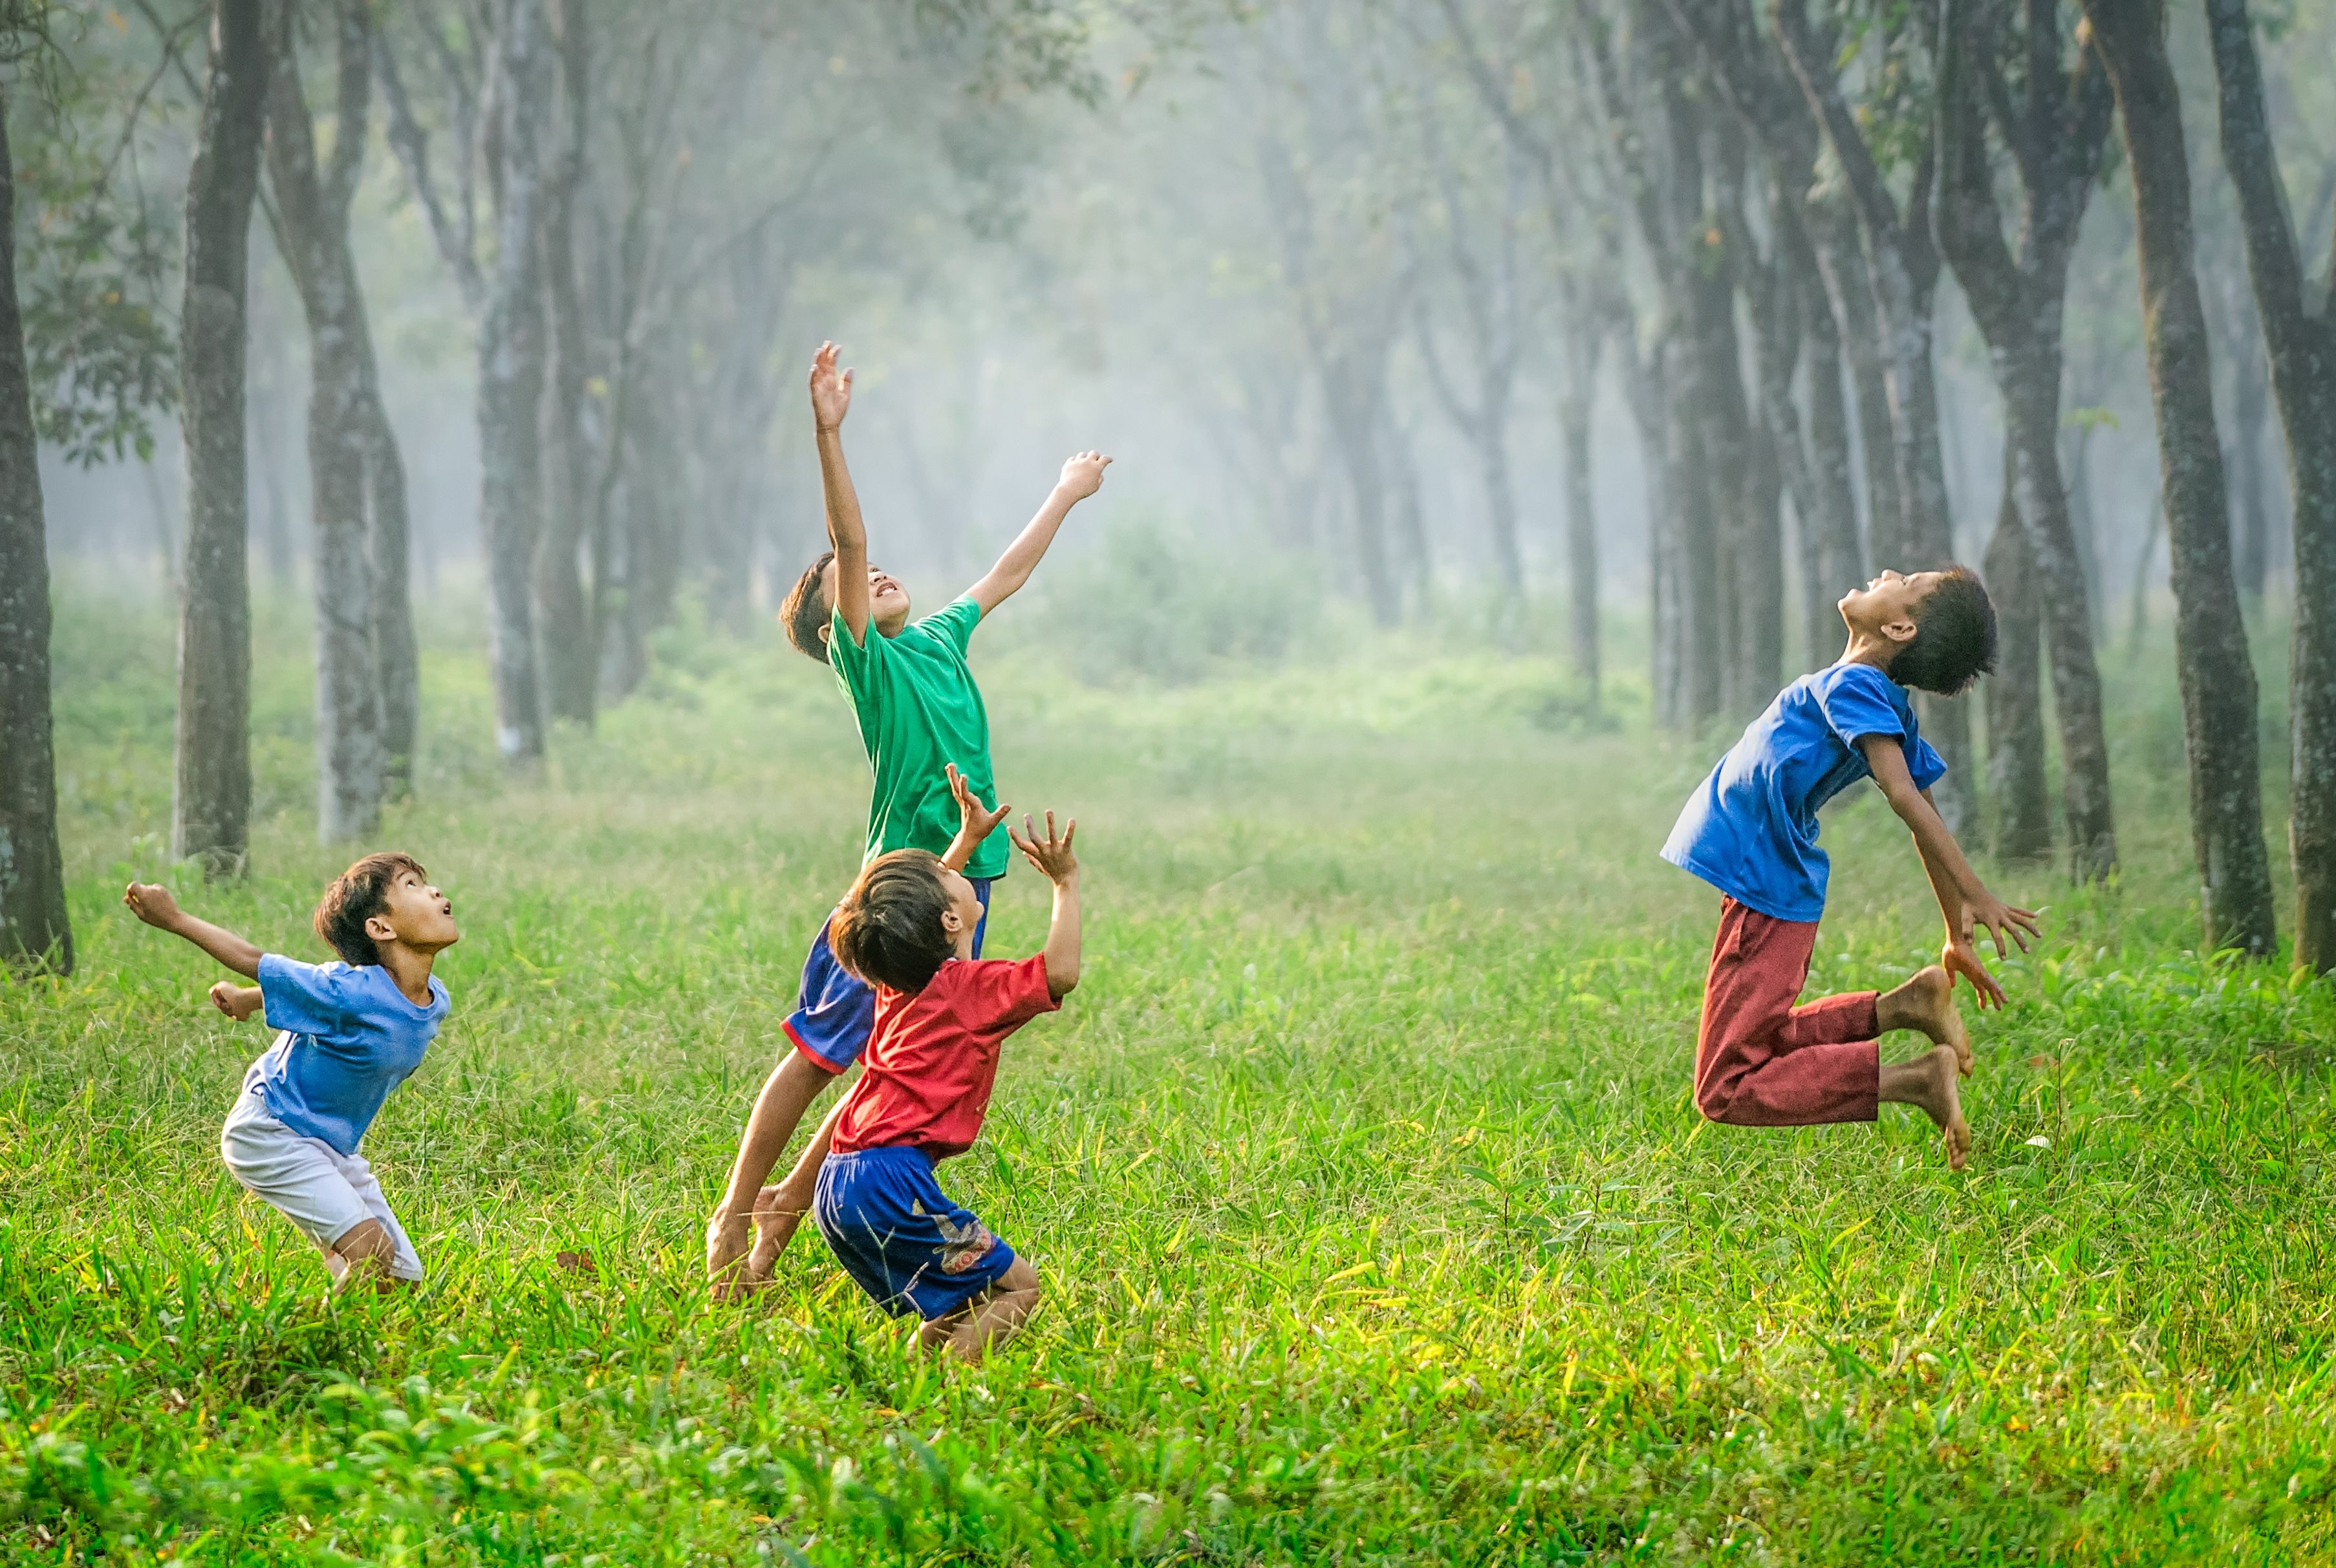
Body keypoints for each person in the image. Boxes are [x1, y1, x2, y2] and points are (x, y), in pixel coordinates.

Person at [704, 340, 1112, 1295]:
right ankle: (736, 1212)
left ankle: (778, 1230)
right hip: (895, 890)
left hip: (961, 886)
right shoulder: (870, 664)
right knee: (817, 1054)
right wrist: (827, 431)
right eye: (848, 583)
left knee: (895, 1064)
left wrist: (1064, 493)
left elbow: (1006, 574)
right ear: (830, 628)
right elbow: (847, 541)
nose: (874, 571)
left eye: (881, 569)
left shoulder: (935, 638)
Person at [1660, 567, 2042, 1170]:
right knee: (1759, 1043)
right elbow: (1925, 804)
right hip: (1766, 882)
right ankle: (1906, 1006)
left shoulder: (1859, 686)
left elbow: (1906, 795)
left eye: (1907, 579)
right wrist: (1953, 931)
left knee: (1725, 1085)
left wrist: (1975, 893)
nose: (1889, 571)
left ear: (1899, 625)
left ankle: (1915, 1081)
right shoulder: (1869, 692)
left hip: (1766, 884)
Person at [811, 800, 1081, 1362]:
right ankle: (947, 1393)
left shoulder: (897, 980)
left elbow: (918, 919)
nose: (953, 868)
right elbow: (1061, 971)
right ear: (950, 919)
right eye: (949, 873)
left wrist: (964, 842)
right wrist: (1065, 882)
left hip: (838, 1182)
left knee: (961, 1295)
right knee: (1021, 1287)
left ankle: (911, 1381)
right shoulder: (972, 992)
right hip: (892, 1185)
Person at [123, 855, 460, 1289]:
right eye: (412, 885)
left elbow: (313, 999)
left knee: (400, 1280)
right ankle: (303, 1346)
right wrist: (174, 918)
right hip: (272, 1131)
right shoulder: (349, 989)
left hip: (331, 1148)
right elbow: (255, 959)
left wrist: (248, 1000)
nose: (433, 891)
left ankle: (353, 1319)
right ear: (380, 928)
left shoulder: (435, 1000)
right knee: (372, 1257)